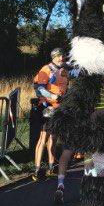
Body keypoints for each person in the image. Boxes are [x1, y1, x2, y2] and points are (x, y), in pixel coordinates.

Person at [32, 48, 69, 181]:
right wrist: (53, 96)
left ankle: (51, 167)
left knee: (53, 138)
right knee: (43, 139)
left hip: (59, 108)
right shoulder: (46, 69)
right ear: (53, 57)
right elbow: (39, 89)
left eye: (63, 56)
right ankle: (37, 170)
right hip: (47, 108)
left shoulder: (64, 70)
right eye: (58, 57)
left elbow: (64, 87)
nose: (61, 59)